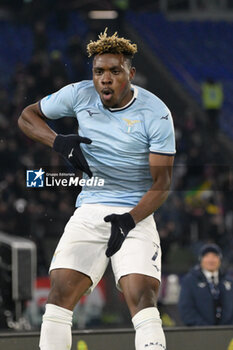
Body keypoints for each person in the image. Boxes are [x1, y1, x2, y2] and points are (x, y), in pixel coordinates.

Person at [18, 29, 176, 350]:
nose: (105, 79)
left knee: (142, 298)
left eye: (114, 71)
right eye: (99, 71)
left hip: (136, 212)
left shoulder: (155, 112)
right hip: (90, 209)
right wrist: (59, 142)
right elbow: (27, 116)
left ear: (130, 74)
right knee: (59, 296)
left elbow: (162, 184)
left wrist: (129, 220)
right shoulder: (79, 94)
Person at [179, 243, 233, 326]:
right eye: (207, 256)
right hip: (200, 334)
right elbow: (186, 310)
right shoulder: (189, 281)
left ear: (220, 260)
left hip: (227, 334)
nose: (211, 260)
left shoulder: (229, 281)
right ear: (201, 260)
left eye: (215, 256)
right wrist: (207, 329)